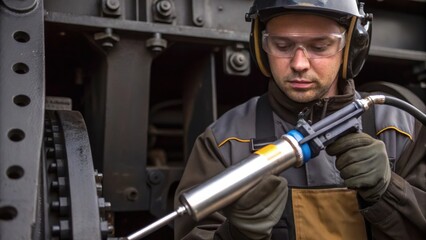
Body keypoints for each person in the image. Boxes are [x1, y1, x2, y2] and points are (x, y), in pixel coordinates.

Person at [174, 1, 426, 239]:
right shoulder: (224, 142)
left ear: (351, 47)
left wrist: (388, 191)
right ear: (260, 46)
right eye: (282, 46)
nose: (299, 64)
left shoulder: (400, 129)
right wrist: (235, 234)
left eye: (319, 47)